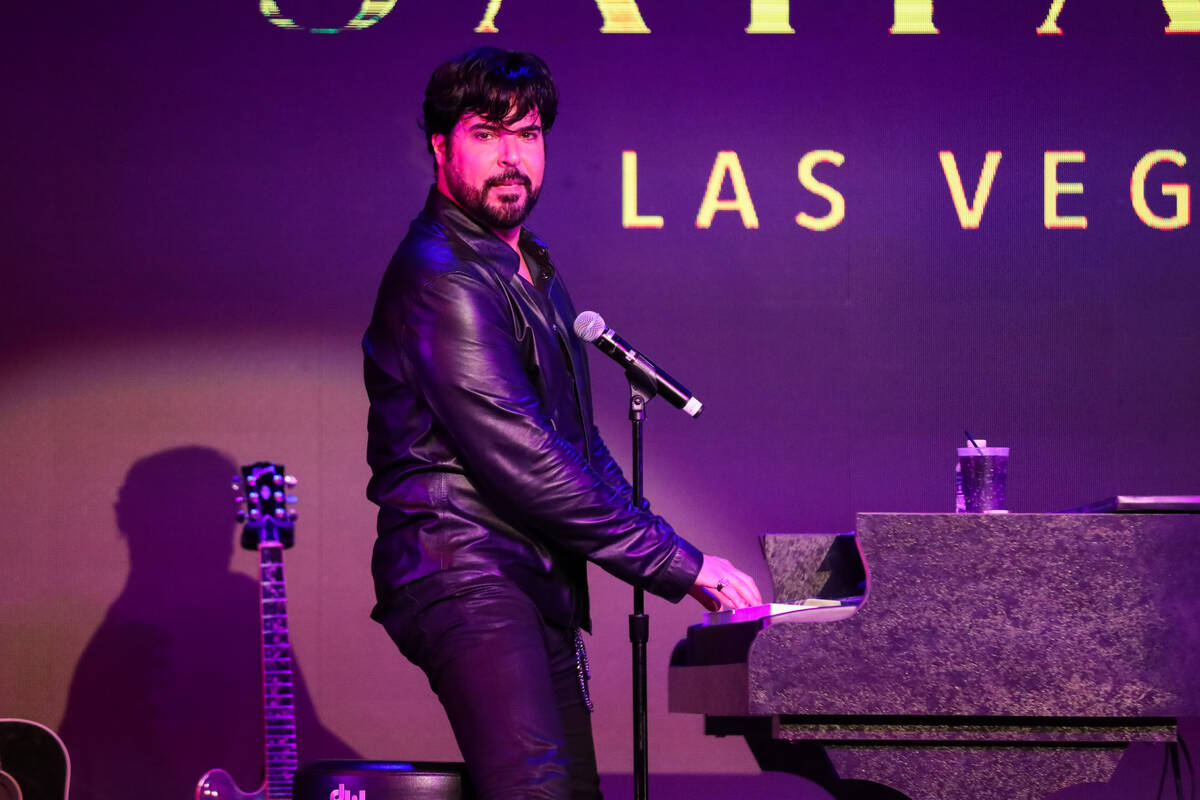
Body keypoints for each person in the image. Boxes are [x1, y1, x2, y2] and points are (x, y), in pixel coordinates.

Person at [363, 47, 761, 800]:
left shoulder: (532, 267)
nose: (513, 156)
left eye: (530, 133)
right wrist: (682, 565)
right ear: (441, 146)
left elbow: (579, 448)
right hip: (465, 571)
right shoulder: (440, 274)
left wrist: (681, 555)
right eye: (488, 133)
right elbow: (528, 461)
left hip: (531, 575)